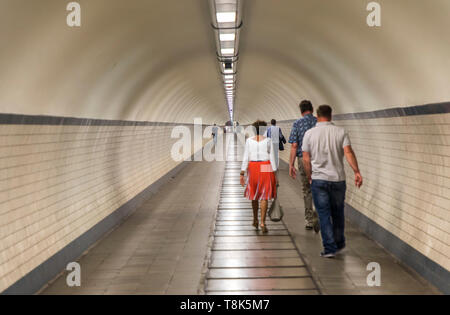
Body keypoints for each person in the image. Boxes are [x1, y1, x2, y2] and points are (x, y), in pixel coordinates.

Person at [302, 105, 363, 258]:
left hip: (319, 179)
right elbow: (348, 152)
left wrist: (309, 175)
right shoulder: (341, 132)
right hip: (338, 179)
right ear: (331, 115)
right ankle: (339, 243)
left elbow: (306, 158)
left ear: (317, 116)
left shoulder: (309, 134)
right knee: (338, 212)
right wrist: (356, 171)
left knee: (323, 214)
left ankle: (329, 248)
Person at [240, 120, 278, 233]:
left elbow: (246, 157)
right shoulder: (268, 141)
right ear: (264, 129)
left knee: (254, 194)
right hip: (266, 165)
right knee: (265, 195)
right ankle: (262, 222)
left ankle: (255, 219)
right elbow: (272, 157)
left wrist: (242, 173)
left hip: (253, 167)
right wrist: (275, 174)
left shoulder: (249, 141)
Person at [288, 100, 319, 231]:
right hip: (320, 159)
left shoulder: (297, 123)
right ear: (312, 109)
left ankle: (309, 220)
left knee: (307, 190)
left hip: (303, 158)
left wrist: (291, 165)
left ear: (301, 111)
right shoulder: (320, 123)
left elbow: (294, 145)